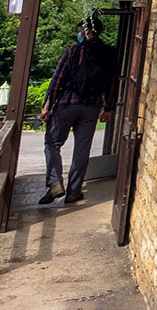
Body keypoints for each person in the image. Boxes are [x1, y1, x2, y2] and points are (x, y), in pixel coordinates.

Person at [38, 14, 118, 205]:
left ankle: (55, 182)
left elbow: (58, 80)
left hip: (67, 103)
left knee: (52, 143)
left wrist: (47, 105)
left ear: (87, 30)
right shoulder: (109, 53)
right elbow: (112, 83)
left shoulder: (73, 51)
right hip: (92, 107)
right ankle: (74, 191)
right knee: (82, 150)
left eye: (80, 30)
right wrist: (108, 108)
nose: (79, 34)